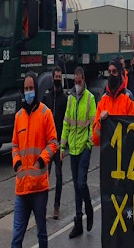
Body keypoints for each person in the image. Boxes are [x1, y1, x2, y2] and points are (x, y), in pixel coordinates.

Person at [12, 72, 59, 248]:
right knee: (17, 237)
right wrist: (16, 163)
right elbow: (15, 145)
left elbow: (53, 142)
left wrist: (41, 161)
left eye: (31, 88)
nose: (29, 92)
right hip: (22, 187)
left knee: (41, 233)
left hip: (39, 187)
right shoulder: (18, 117)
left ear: (36, 89)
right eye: (26, 89)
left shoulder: (45, 114)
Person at [60, 67, 97, 238]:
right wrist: (62, 147)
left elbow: (93, 125)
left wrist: (89, 144)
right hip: (73, 149)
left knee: (81, 183)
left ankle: (88, 208)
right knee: (76, 185)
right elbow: (66, 123)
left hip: (84, 148)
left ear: (83, 80)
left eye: (79, 82)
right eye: (75, 82)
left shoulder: (90, 99)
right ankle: (78, 221)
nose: (77, 85)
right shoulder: (70, 100)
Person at [92, 59, 134, 146]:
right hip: (107, 155)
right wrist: (100, 123)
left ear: (120, 74)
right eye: (109, 72)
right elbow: (95, 140)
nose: (111, 74)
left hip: (123, 155)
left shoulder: (128, 99)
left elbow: (133, 133)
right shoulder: (103, 100)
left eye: (114, 71)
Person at [41, 66, 67, 219]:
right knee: (45, 176)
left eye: (59, 77)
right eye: (56, 76)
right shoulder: (47, 97)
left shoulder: (65, 98)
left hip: (58, 143)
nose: (57, 79)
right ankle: (42, 206)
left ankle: (56, 206)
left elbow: (66, 122)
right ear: (52, 78)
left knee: (59, 176)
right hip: (47, 143)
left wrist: (63, 143)